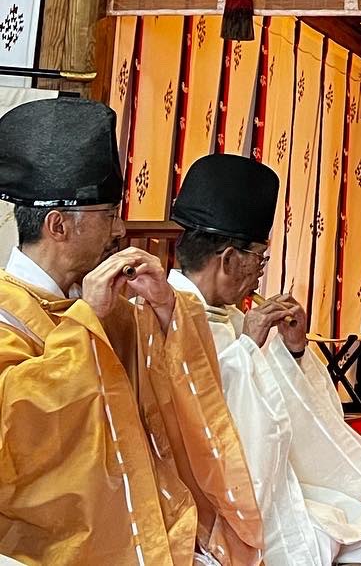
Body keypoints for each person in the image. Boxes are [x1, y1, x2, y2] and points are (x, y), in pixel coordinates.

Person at [0, 96, 264, 566]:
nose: (120, 229)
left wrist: (166, 309)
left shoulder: (107, 304)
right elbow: (19, 427)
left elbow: (170, 382)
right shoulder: (9, 311)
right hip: (51, 541)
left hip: (144, 510)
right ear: (58, 224)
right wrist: (86, 324)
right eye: (107, 215)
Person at [168, 152, 361, 566]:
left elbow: (285, 409)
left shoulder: (234, 317)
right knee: (334, 539)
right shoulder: (164, 316)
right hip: (210, 502)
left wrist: (293, 350)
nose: (259, 272)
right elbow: (195, 420)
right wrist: (247, 349)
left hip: (266, 481)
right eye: (259, 258)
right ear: (229, 258)